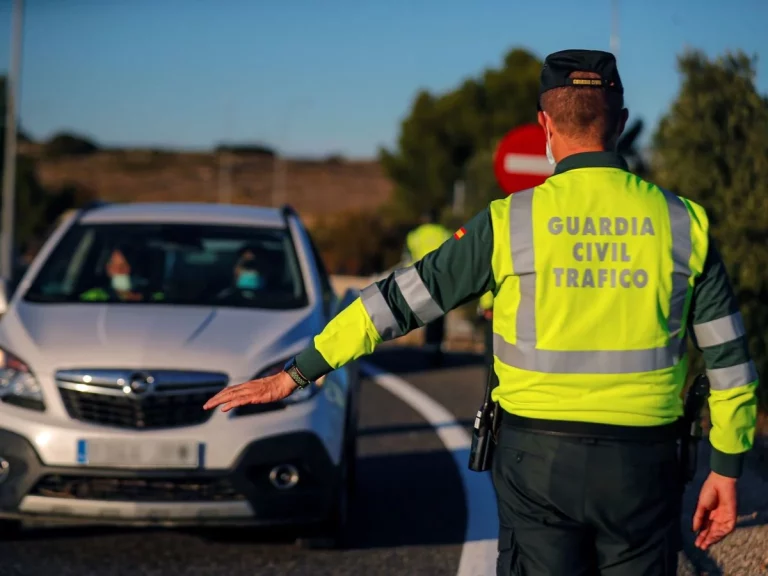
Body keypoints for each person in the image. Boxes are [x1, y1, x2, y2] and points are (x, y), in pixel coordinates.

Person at [203, 49, 759, 575]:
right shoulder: (685, 224)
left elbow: (396, 302)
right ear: (622, 121)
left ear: (545, 124)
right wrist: (728, 467)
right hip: (644, 464)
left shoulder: (509, 222)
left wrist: (298, 372)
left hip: (537, 461)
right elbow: (730, 363)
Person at [402, 210, 452, 366]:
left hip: (421, 278)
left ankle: (428, 347)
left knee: (427, 313)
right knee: (440, 315)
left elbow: (408, 259)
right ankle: (437, 347)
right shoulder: (444, 233)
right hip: (441, 279)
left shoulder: (414, 236)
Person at [80, 245, 160, 302]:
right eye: (115, 266)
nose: (120, 271)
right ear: (108, 269)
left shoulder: (156, 298)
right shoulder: (94, 297)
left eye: (124, 266)